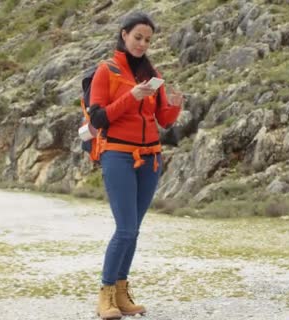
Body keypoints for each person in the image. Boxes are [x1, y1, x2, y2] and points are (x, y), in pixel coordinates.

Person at [88, 11, 184, 320]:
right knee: (125, 229)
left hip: (151, 157)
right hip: (118, 154)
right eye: (137, 37)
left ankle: (122, 292)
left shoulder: (150, 72)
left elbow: (163, 121)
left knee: (135, 230)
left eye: (147, 40)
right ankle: (105, 295)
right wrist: (132, 96)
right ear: (124, 34)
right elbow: (98, 119)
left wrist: (175, 105)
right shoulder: (107, 70)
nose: (142, 44)